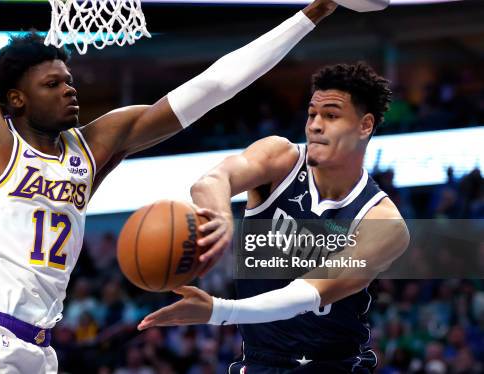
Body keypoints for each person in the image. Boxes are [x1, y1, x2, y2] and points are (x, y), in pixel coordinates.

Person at [0, 0, 339, 372]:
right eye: (52, 84)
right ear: (16, 99)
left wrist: (312, 13)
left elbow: (213, 87)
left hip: (40, 347)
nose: (69, 89)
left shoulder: (90, 148)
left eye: (69, 80)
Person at [138, 62, 411, 373]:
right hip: (258, 364)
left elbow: (309, 293)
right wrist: (222, 218)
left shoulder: (384, 222)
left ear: (364, 126)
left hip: (335, 367)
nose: (315, 125)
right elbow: (211, 181)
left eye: (331, 116)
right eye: (312, 114)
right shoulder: (281, 159)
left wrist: (219, 311)